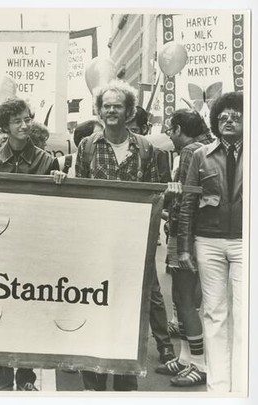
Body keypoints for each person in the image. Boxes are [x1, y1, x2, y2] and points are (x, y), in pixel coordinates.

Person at [0, 97, 63, 391]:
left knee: (28, 311)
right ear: (4, 127)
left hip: (33, 249)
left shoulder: (48, 161)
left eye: (27, 119)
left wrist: (60, 179)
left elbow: (58, 206)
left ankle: (26, 377)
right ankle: (2, 374)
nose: (24, 125)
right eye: (17, 121)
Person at [75, 80, 159, 391]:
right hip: (95, 247)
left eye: (118, 105)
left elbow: (155, 197)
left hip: (132, 250)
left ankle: (125, 387)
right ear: (99, 110)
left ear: (129, 111)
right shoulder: (86, 147)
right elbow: (78, 197)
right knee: (94, 314)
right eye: (106, 105)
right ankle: (93, 386)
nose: (112, 110)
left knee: (127, 318)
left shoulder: (147, 148)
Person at [177, 92, 243, 392]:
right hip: (208, 241)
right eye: (223, 116)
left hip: (246, 242)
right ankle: (219, 388)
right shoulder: (201, 155)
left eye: (236, 114)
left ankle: (243, 385)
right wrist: (184, 247)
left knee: (245, 314)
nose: (229, 120)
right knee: (214, 313)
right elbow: (189, 202)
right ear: (215, 121)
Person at [157, 109, 214, 387]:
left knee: (184, 299)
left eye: (171, 129)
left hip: (186, 233)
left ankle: (199, 363)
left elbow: (185, 197)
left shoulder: (192, 150)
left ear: (179, 128)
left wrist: (170, 211)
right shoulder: (206, 146)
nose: (169, 134)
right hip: (197, 231)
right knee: (187, 299)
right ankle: (185, 358)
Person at [125, 106, 176, 367]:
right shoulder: (102, 147)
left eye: (134, 128)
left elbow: (163, 190)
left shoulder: (152, 153)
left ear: (145, 129)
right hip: (112, 230)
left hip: (142, 230)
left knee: (152, 290)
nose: (130, 132)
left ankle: (164, 345)